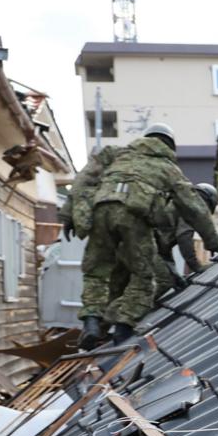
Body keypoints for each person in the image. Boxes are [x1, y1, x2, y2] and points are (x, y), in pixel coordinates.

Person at [85, 126, 218, 343]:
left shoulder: (124, 158)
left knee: (116, 284)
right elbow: (185, 239)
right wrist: (202, 263)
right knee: (156, 281)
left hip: (115, 232)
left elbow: (164, 249)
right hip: (137, 236)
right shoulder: (178, 186)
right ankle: (122, 325)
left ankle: (97, 328)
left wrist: (176, 273)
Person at [66, 142, 122, 349]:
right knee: (126, 278)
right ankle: (116, 328)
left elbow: (76, 191)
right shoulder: (126, 171)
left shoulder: (90, 176)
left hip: (98, 228)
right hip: (126, 228)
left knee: (95, 276)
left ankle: (92, 324)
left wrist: (67, 217)